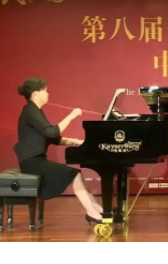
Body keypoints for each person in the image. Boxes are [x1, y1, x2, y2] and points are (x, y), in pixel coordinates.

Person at [13, 77, 103, 224]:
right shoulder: (30, 111)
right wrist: (72, 115)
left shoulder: (35, 111)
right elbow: (52, 132)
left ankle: (96, 208)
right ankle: (91, 211)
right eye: (45, 91)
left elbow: (52, 138)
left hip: (36, 160)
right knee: (74, 174)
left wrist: (76, 142)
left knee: (77, 174)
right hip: (31, 162)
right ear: (35, 93)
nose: (48, 94)